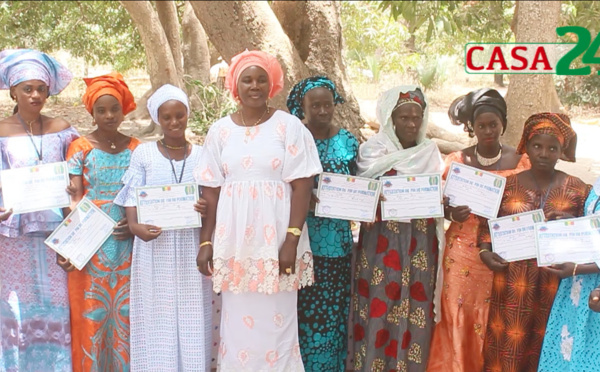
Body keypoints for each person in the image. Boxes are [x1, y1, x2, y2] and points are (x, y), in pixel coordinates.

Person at [195, 50, 322, 371]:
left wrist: (291, 240)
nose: (254, 86)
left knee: (278, 325)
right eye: (246, 80)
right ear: (234, 86)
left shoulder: (289, 127)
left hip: (277, 243)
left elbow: (303, 185)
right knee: (238, 327)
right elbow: (210, 190)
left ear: (272, 84)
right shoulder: (219, 131)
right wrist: (206, 242)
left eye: (261, 79)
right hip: (235, 244)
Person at [477, 112, 591, 372]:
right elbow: (486, 228)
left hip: (556, 284)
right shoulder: (506, 186)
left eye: (553, 148)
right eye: (537, 146)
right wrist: (485, 252)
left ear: (562, 151)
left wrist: (567, 222)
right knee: (506, 348)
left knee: (546, 346)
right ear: (526, 146)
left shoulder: (577, 190)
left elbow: (588, 233)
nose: (544, 153)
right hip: (511, 283)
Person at [427, 88, 530, 372]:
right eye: (482, 125)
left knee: (496, 314)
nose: (488, 131)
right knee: (457, 311)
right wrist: (450, 212)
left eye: (493, 125)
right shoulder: (457, 162)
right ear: (472, 127)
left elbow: (528, 205)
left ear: (503, 126)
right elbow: (440, 204)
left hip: (503, 251)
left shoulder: (520, 162)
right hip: (461, 253)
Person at [113, 84, 212, 370]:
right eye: (166, 117)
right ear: (157, 118)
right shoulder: (144, 154)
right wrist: (134, 226)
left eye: (179, 115)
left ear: (187, 115)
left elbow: (209, 196)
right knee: (157, 311)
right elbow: (132, 196)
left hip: (191, 243)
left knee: (193, 312)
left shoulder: (202, 154)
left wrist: (204, 207)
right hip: (154, 246)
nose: (174, 122)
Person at [353, 86, 445, 372]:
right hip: (382, 243)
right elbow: (358, 197)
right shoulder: (372, 152)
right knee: (381, 301)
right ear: (389, 118)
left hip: (419, 241)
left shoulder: (429, 152)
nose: (411, 124)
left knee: (414, 304)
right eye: (403, 117)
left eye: (417, 117)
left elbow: (440, 196)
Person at [0, 48, 78, 371]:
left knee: (55, 306)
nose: (35, 95)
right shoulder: (1, 132)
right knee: (16, 310)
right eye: (27, 88)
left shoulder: (62, 129)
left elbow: (78, 177)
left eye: (41, 89)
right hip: (12, 242)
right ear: (13, 90)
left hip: (54, 239)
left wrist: (74, 204)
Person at [57, 72, 139, 372]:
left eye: (114, 109)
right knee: (90, 311)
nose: (108, 115)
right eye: (101, 110)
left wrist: (135, 223)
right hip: (89, 242)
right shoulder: (80, 147)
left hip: (128, 241)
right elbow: (74, 198)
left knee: (127, 314)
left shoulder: (136, 148)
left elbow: (143, 196)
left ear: (123, 109)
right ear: (91, 112)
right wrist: (67, 245)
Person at [286, 76, 358, 371]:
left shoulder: (348, 141)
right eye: (315, 105)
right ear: (302, 107)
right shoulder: (292, 139)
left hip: (338, 241)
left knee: (333, 310)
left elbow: (359, 182)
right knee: (302, 311)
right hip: (300, 239)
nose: (322, 111)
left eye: (327, 104)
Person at [538, 175, 600, 371]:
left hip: (593, 287)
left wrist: (579, 268)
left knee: (589, 354)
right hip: (577, 286)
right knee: (566, 352)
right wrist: (573, 224)